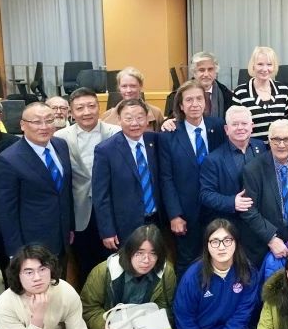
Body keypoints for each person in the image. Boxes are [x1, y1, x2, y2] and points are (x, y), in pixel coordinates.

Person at [80, 224, 177, 329]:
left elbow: (166, 305)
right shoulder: (103, 271)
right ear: (129, 251)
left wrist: (155, 324)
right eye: (140, 253)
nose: (146, 260)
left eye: (153, 253)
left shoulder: (166, 272)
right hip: (113, 328)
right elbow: (88, 308)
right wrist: (105, 327)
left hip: (146, 327)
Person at [0, 102, 74, 258]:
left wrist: (69, 226)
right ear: (23, 125)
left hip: (62, 236)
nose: (44, 126)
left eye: (49, 120)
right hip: (31, 243)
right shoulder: (7, 160)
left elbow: (65, 192)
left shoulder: (61, 145)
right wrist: (16, 252)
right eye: (36, 122)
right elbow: (6, 212)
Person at [159, 82, 226, 272]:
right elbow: (166, 179)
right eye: (189, 100)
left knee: (218, 258)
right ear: (181, 105)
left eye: (199, 99)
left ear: (206, 102)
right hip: (186, 212)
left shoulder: (218, 127)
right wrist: (175, 215)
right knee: (188, 261)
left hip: (216, 208)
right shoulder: (169, 134)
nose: (194, 104)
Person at [55, 87, 120, 277]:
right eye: (80, 108)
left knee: (115, 264)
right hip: (80, 210)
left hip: (112, 209)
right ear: (71, 112)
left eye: (91, 106)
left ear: (99, 107)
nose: (86, 112)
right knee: (84, 265)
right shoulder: (60, 138)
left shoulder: (116, 133)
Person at [239, 119, 288, 268]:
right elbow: (248, 209)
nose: (281, 145)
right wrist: (271, 239)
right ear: (269, 140)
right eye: (276, 139)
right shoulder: (253, 169)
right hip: (263, 245)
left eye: (287, 139)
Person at [93, 98, 163, 255]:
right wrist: (107, 230)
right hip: (125, 225)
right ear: (119, 120)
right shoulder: (105, 150)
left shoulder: (155, 141)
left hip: (156, 220)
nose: (135, 123)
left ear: (147, 119)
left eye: (140, 117)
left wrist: (170, 122)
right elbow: (101, 195)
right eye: (129, 118)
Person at [197, 106, 267, 256]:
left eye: (244, 123)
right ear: (226, 129)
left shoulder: (261, 147)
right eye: (235, 124)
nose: (240, 128)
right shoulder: (213, 159)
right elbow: (205, 194)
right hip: (232, 226)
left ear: (252, 126)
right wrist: (232, 202)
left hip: (260, 224)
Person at [232, 46, 288, 140]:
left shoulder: (283, 90)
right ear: (253, 66)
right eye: (260, 64)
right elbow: (235, 125)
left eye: (269, 64)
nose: (265, 69)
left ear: (274, 67)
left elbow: (287, 122)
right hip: (252, 148)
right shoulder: (240, 92)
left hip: (279, 147)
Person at [101, 67, 166, 131]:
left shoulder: (156, 113)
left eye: (133, 86)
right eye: (124, 86)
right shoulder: (106, 116)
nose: (128, 90)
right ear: (119, 88)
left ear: (140, 86)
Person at [173, 51, 234, 118]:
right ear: (194, 72)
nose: (206, 74)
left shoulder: (227, 95)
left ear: (216, 72)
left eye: (210, 69)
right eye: (201, 70)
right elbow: (171, 118)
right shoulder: (180, 94)